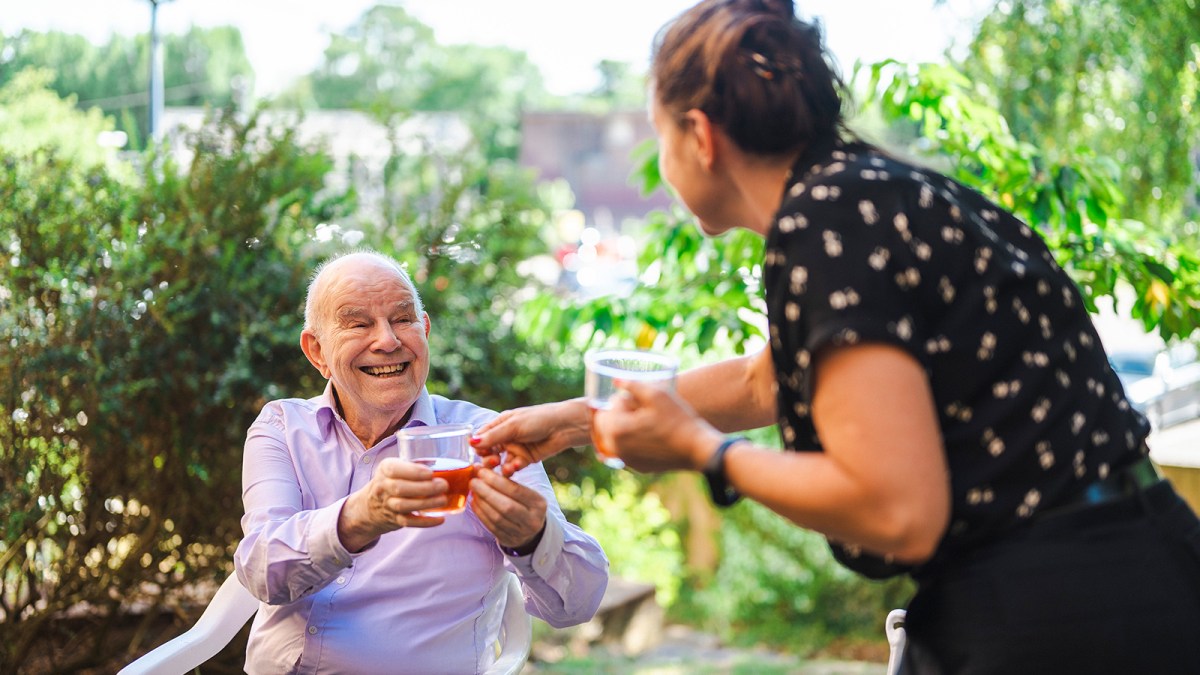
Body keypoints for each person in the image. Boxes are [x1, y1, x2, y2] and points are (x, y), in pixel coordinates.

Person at [470, 1, 1200, 673]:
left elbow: (897, 513)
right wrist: (575, 421)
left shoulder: (823, 220)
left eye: (659, 134)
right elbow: (769, 380)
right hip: (1132, 569)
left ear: (700, 136)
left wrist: (701, 450)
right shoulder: (870, 192)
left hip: (1061, 610)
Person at [233, 250, 608, 674]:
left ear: (424, 331)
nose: (388, 341)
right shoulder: (283, 426)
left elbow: (576, 605)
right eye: (358, 324)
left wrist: (534, 537)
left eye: (402, 319)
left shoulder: (486, 439)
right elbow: (262, 571)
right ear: (317, 352)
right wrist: (359, 517)